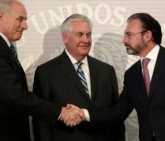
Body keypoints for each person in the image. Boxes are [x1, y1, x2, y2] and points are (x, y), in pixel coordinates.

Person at [67, 13, 165, 141]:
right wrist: (83, 114)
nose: (124, 40)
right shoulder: (132, 74)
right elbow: (118, 112)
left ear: (147, 35)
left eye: (129, 35)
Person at [0, 0, 80, 141]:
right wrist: (60, 112)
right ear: (1, 17)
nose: (25, 26)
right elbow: (16, 95)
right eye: (20, 19)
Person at [32, 13, 125, 141]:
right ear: (65, 37)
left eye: (89, 34)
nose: (86, 40)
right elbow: (41, 121)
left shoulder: (107, 71)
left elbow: (116, 117)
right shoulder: (46, 72)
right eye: (80, 34)